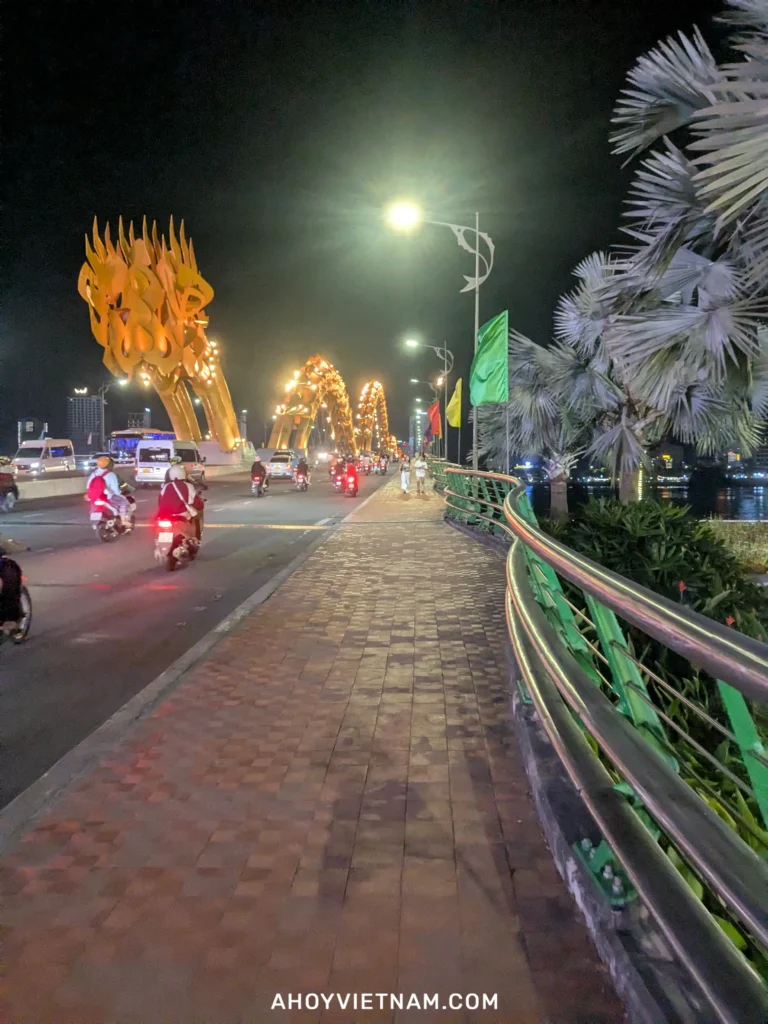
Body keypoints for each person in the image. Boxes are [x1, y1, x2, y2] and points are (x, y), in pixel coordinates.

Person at [158, 465, 205, 541]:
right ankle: (195, 538)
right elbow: (195, 502)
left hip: (165, 515)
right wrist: (200, 504)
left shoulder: (166, 486)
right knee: (196, 515)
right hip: (182, 515)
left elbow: (160, 501)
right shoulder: (188, 486)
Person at [86, 456, 131, 525]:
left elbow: (88, 486)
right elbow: (115, 491)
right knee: (123, 502)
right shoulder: (111, 475)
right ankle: (123, 521)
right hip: (107, 497)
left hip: (94, 497)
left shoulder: (93, 474)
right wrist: (119, 493)